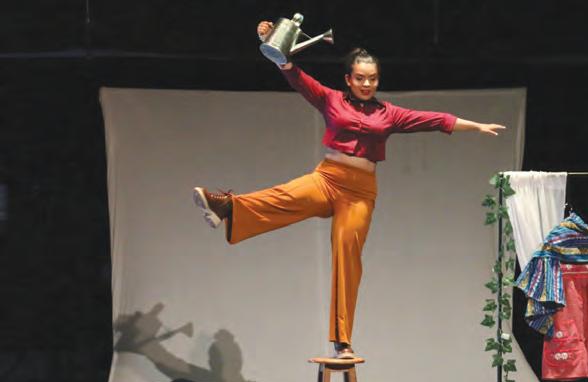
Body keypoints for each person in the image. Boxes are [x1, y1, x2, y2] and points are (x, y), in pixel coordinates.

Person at [192, 20, 506, 359]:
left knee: (347, 256)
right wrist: (274, 46)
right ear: (348, 79)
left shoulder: (390, 114)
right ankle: (228, 207)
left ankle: (342, 341)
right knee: (287, 195)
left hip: (360, 193)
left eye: (372, 79)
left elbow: (434, 120)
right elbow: (296, 77)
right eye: (360, 78)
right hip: (328, 178)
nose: (367, 84)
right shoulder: (330, 99)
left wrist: (476, 126)